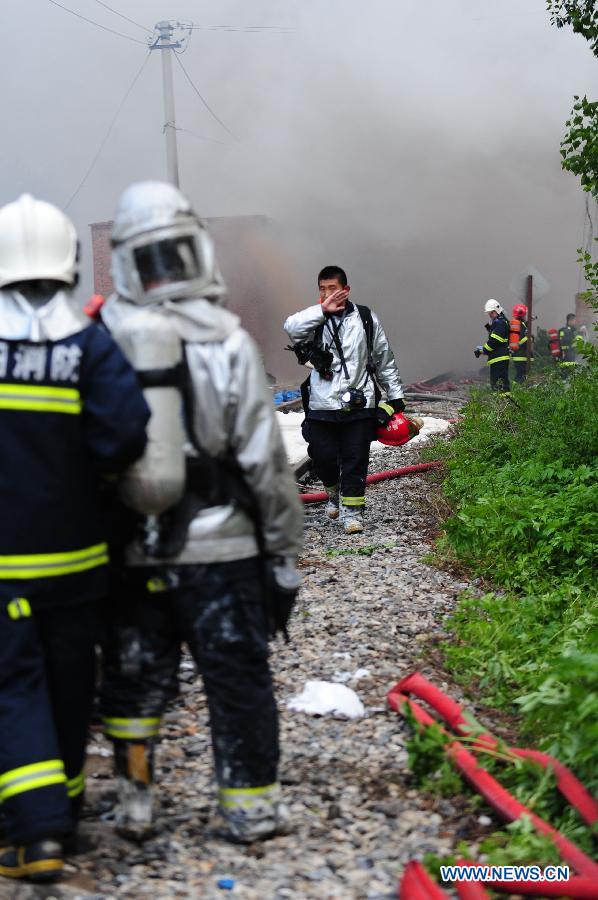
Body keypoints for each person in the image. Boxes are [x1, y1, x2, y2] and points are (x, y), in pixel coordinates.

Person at [99, 181, 304, 844]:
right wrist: (281, 555)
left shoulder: (103, 343)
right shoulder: (229, 342)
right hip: (226, 550)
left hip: (137, 548)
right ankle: (249, 810)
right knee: (237, 678)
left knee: (133, 681)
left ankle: (135, 804)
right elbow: (263, 461)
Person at [0, 195, 149, 882]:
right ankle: (63, 813)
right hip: (79, 561)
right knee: (67, 685)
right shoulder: (89, 342)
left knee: (13, 687)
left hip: (6, 565)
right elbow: (125, 433)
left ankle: (34, 836)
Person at [284, 265, 405, 535]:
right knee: (323, 457)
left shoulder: (365, 318)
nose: (328, 294)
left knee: (355, 458)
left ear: (346, 290)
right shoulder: (313, 320)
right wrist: (321, 311)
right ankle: (333, 491)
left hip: (359, 403)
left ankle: (352, 514)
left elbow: (383, 357)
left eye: (333, 289)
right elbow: (290, 328)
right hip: (321, 405)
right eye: (323, 290)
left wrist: (396, 396)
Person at [474, 299, 510, 393]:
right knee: (499, 382)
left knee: (499, 383)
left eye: (491, 313)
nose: (490, 315)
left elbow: (494, 341)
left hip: (499, 358)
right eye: (489, 313)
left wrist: (483, 350)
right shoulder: (501, 322)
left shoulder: (500, 323)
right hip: (498, 358)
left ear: (497, 310)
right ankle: (502, 402)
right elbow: (495, 340)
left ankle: (503, 402)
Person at [511, 303, 531, 384]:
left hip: (519, 355)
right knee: (521, 376)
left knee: (520, 375)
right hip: (521, 355)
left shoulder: (520, 324)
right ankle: (516, 390)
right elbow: (521, 341)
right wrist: (529, 337)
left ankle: (516, 390)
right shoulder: (519, 325)